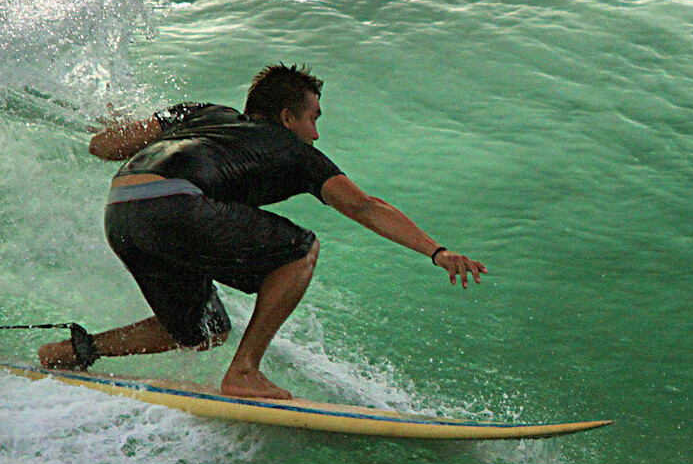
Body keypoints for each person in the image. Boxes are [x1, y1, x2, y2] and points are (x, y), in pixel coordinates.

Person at [38, 64, 486, 399]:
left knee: (204, 329)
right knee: (300, 250)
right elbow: (364, 206)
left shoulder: (201, 113)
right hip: (177, 205)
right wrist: (437, 251)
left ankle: (74, 351)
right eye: (313, 118)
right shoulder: (293, 149)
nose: (315, 135)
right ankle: (244, 371)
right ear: (288, 117)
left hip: (122, 211)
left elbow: (104, 146)